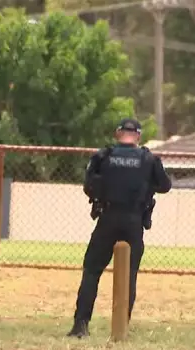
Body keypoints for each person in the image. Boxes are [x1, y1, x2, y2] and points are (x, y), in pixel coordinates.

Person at [67, 118, 173, 338]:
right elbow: (165, 185)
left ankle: (80, 326)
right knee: (129, 274)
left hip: (107, 217)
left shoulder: (103, 156)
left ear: (117, 134)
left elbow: (88, 186)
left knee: (92, 271)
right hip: (134, 220)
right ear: (138, 136)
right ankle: (121, 327)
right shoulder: (149, 159)